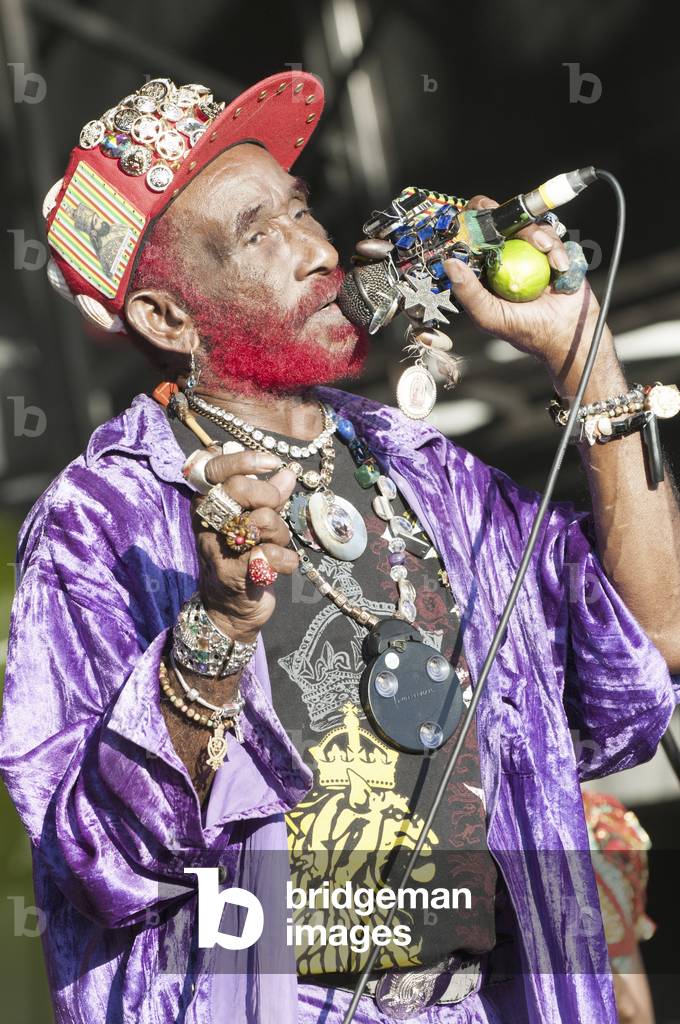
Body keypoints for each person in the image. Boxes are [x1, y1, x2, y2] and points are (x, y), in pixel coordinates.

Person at [0, 69, 679, 1024]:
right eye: (257, 233)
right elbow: (97, 861)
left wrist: (585, 356)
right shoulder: (100, 521)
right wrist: (220, 628)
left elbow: (652, 648)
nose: (318, 249)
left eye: (300, 208)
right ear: (167, 317)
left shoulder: (426, 471)